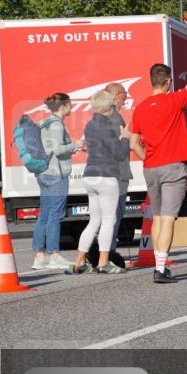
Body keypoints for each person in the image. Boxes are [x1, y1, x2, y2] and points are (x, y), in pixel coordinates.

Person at [129, 23, 187, 284]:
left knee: (159, 217)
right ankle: (160, 268)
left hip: (151, 167)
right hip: (173, 167)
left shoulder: (140, 109)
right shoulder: (174, 100)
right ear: (168, 82)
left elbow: (134, 141)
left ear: (152, 81)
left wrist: (146, 157)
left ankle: (159, 265)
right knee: (168, 219)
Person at [73, 91, 130, 274]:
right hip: (106, 176)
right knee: (108, 220)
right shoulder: (108, 127)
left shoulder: (90, 124)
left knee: (94, 221)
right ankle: (103, 262)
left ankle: (80, 261)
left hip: (90, 174)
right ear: (107, 107)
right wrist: (125, 138)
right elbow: (119, 154)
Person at [31, 93, 86, 270]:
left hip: (45, 173)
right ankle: (54, 255)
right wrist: (76, 145)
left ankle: (40, 257)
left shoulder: (45, 123)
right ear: (63, 106)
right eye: (69, 104)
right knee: (55, 215)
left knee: (44, 215)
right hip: (56, 175)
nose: (71, 107)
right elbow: (58, 149)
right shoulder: (56, 125)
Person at [102, 82, 142, 268]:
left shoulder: (102, 116)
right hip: (117, 172)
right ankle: (108, 254)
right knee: (114, 216)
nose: (126, 98)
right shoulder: (115, 118)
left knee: (107, 216)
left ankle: (105, 253)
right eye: (124, 94)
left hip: (107, 172)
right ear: (117, 95)